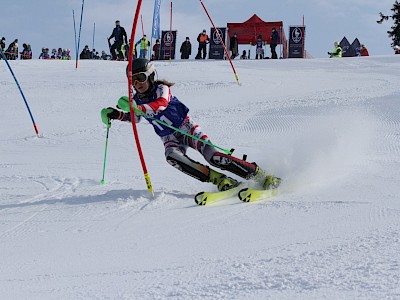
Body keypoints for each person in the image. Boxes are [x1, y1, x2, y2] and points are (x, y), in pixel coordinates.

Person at [100, 58, 281, 193]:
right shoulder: (137, 99)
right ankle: (219, 180)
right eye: (133, 80)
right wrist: (117, 115)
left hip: (187, 129)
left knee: (215, 157)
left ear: (151, 75)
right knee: (172, 156)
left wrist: (137, 107)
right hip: (169, 137)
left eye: (140, 77)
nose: (137, 83)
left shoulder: (162, 89)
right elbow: (136, 118)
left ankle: (261, 175)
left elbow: (160, 104)